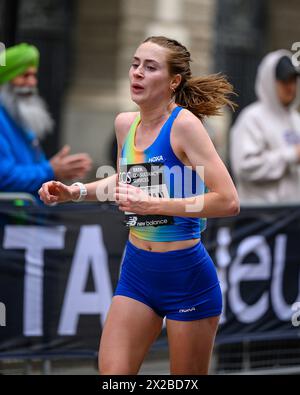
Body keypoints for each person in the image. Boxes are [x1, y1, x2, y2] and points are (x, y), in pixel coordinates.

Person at [39, 36, 239, 375]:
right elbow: (122, 184)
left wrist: (154, 204)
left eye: (150, 67)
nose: (138, 73)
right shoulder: (124, 124)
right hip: (137, 272)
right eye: (135, 64)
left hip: (185, 275)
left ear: (174, 81)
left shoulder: (185, 126)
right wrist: (75, 191)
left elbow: (228, 201)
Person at [0, 43, 92, 201]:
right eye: (24, 76)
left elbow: (35, 167)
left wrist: (57, 173)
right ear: (6, 79)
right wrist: (51, 169)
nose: (32, 82)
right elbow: (4, 176)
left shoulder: (17, 116)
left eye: (34, 76)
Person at [230, 50, 300, 203]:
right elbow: (245, 167)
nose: (291, 87)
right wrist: (292, 155)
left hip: (292, 214)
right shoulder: (252, 118)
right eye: (284, 81)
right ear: (269, 81)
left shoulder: (296, 120)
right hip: (261, 217)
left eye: (293, 80)